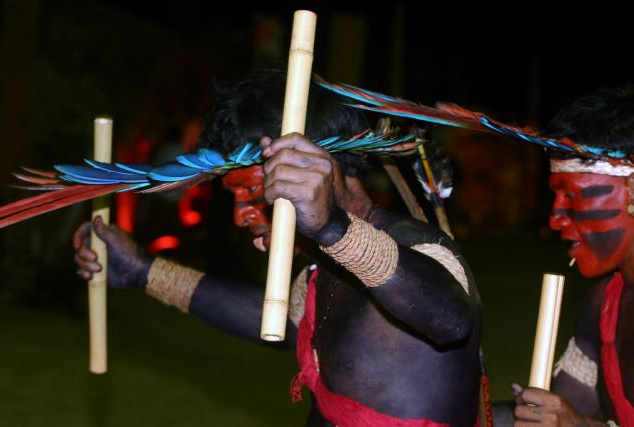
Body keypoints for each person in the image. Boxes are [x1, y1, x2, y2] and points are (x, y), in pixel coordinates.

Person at [74, 68, 482, 426]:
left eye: (254, 192)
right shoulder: (324, 270)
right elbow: (278, 317)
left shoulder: (420, 249)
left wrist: (332, 228)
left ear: (316, 170)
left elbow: (449, 322)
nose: (240, 217)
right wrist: (143, 270)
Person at [512, 87, 634, 426]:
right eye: (556, 195)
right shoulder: (603, 304)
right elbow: (565, 408)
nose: (555, 219)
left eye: (572, 194)